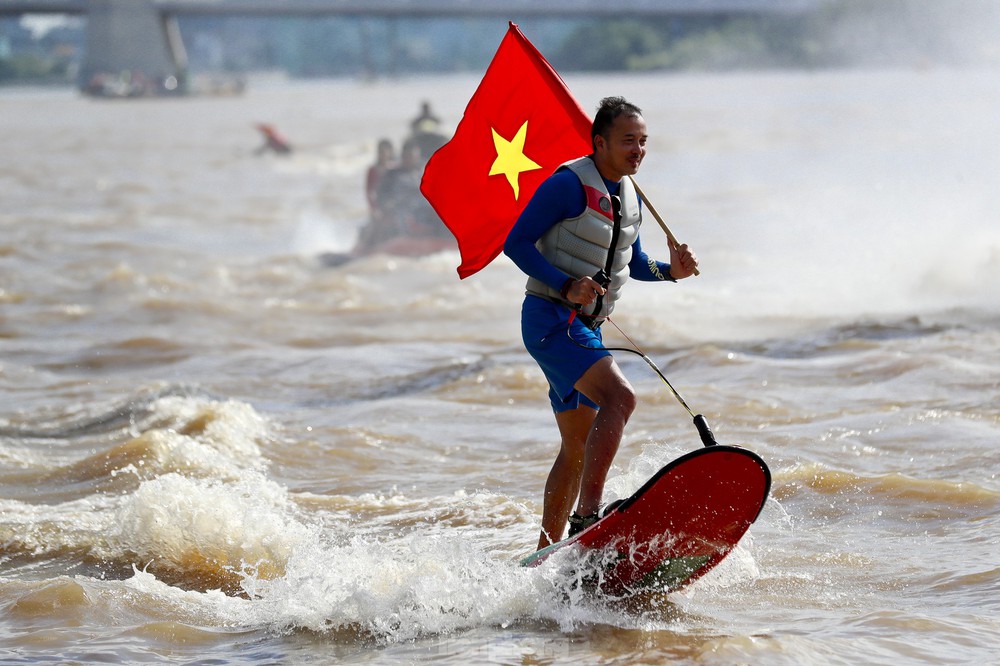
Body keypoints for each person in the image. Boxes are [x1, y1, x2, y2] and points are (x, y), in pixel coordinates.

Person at [503, 97, 699, 551]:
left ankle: (546, 554)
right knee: (621, 397)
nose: (638, 150)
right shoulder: (567, 185)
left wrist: (673, 272)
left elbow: (634, 261)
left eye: (644, 141)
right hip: (551, 318)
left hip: (585, 327)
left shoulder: (629, 194)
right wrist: (566, 282)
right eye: (628, 140)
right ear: (600, 142)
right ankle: (588, 516)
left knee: (575, 449)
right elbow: (516, 242)